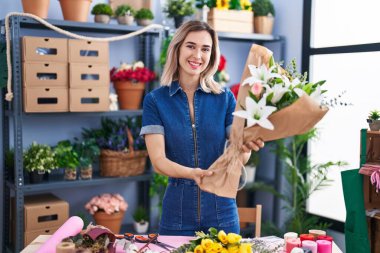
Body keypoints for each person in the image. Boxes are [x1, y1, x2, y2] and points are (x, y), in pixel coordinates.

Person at [140, 20, 264, 236]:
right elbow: (158, 161)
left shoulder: (225, 98)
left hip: (222, 211)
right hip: (177, 213)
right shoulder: (155, 101)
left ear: (212, 55)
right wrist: (192, 174)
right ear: (177, 48)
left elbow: (238, 157)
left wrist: (246, 148)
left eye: (205, 49)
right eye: (190, 46)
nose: (197, 55)